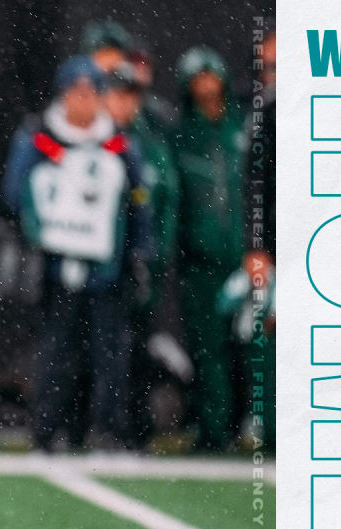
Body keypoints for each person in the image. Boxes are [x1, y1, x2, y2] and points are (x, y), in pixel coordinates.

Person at [3, 56, 150, 451]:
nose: (84, 102)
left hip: (107, 268)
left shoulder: (118, 144)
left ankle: (107, 431)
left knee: (109, 354)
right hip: (55, 266)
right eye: (77, 93)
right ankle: (47, 432)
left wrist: (139, 251)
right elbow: (15, 195)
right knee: (55, 351)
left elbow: (139, 201)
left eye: (92, 94)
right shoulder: (38, 139)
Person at [101, 62, 181, 444]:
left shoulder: (150, 142)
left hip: (139, 262)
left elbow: (164, 201)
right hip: (103, 262)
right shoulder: (96, 137)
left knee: (138, 348)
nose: (125, 104)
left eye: (131, 96)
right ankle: (98, 427)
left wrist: (150, 253)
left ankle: (134, 428)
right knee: (102, 347)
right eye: (118, 94)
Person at [172, 46, 245, 451]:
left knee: (254, 345)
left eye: (210, 76)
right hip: (200, 261)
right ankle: (214, 431)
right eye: (197, 78)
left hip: (246, 256)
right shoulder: (181, 135)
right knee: (207, 348)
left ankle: (259, 428)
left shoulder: (244, 128)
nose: (205, 86)